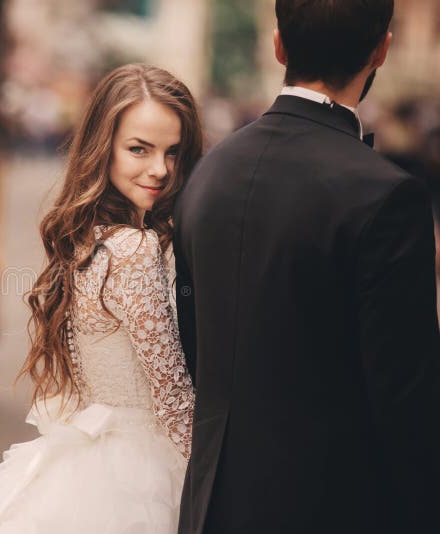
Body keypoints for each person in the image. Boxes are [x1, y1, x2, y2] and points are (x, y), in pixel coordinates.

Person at [173, 1, 440, 533]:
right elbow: (409, 403)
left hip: (211, 511)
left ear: (278, 45)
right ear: (381, 50)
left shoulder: (206, 173)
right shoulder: (388, 196)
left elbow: (194, 349)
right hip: (336, 510)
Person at [0, 63, 203, 533]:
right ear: (103, 148)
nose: (160, 169)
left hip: (89, 466)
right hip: (138, 479)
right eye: (139, 149)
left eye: (174, 153)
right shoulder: (134, 247)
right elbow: (173, 399)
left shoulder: (90, 238)